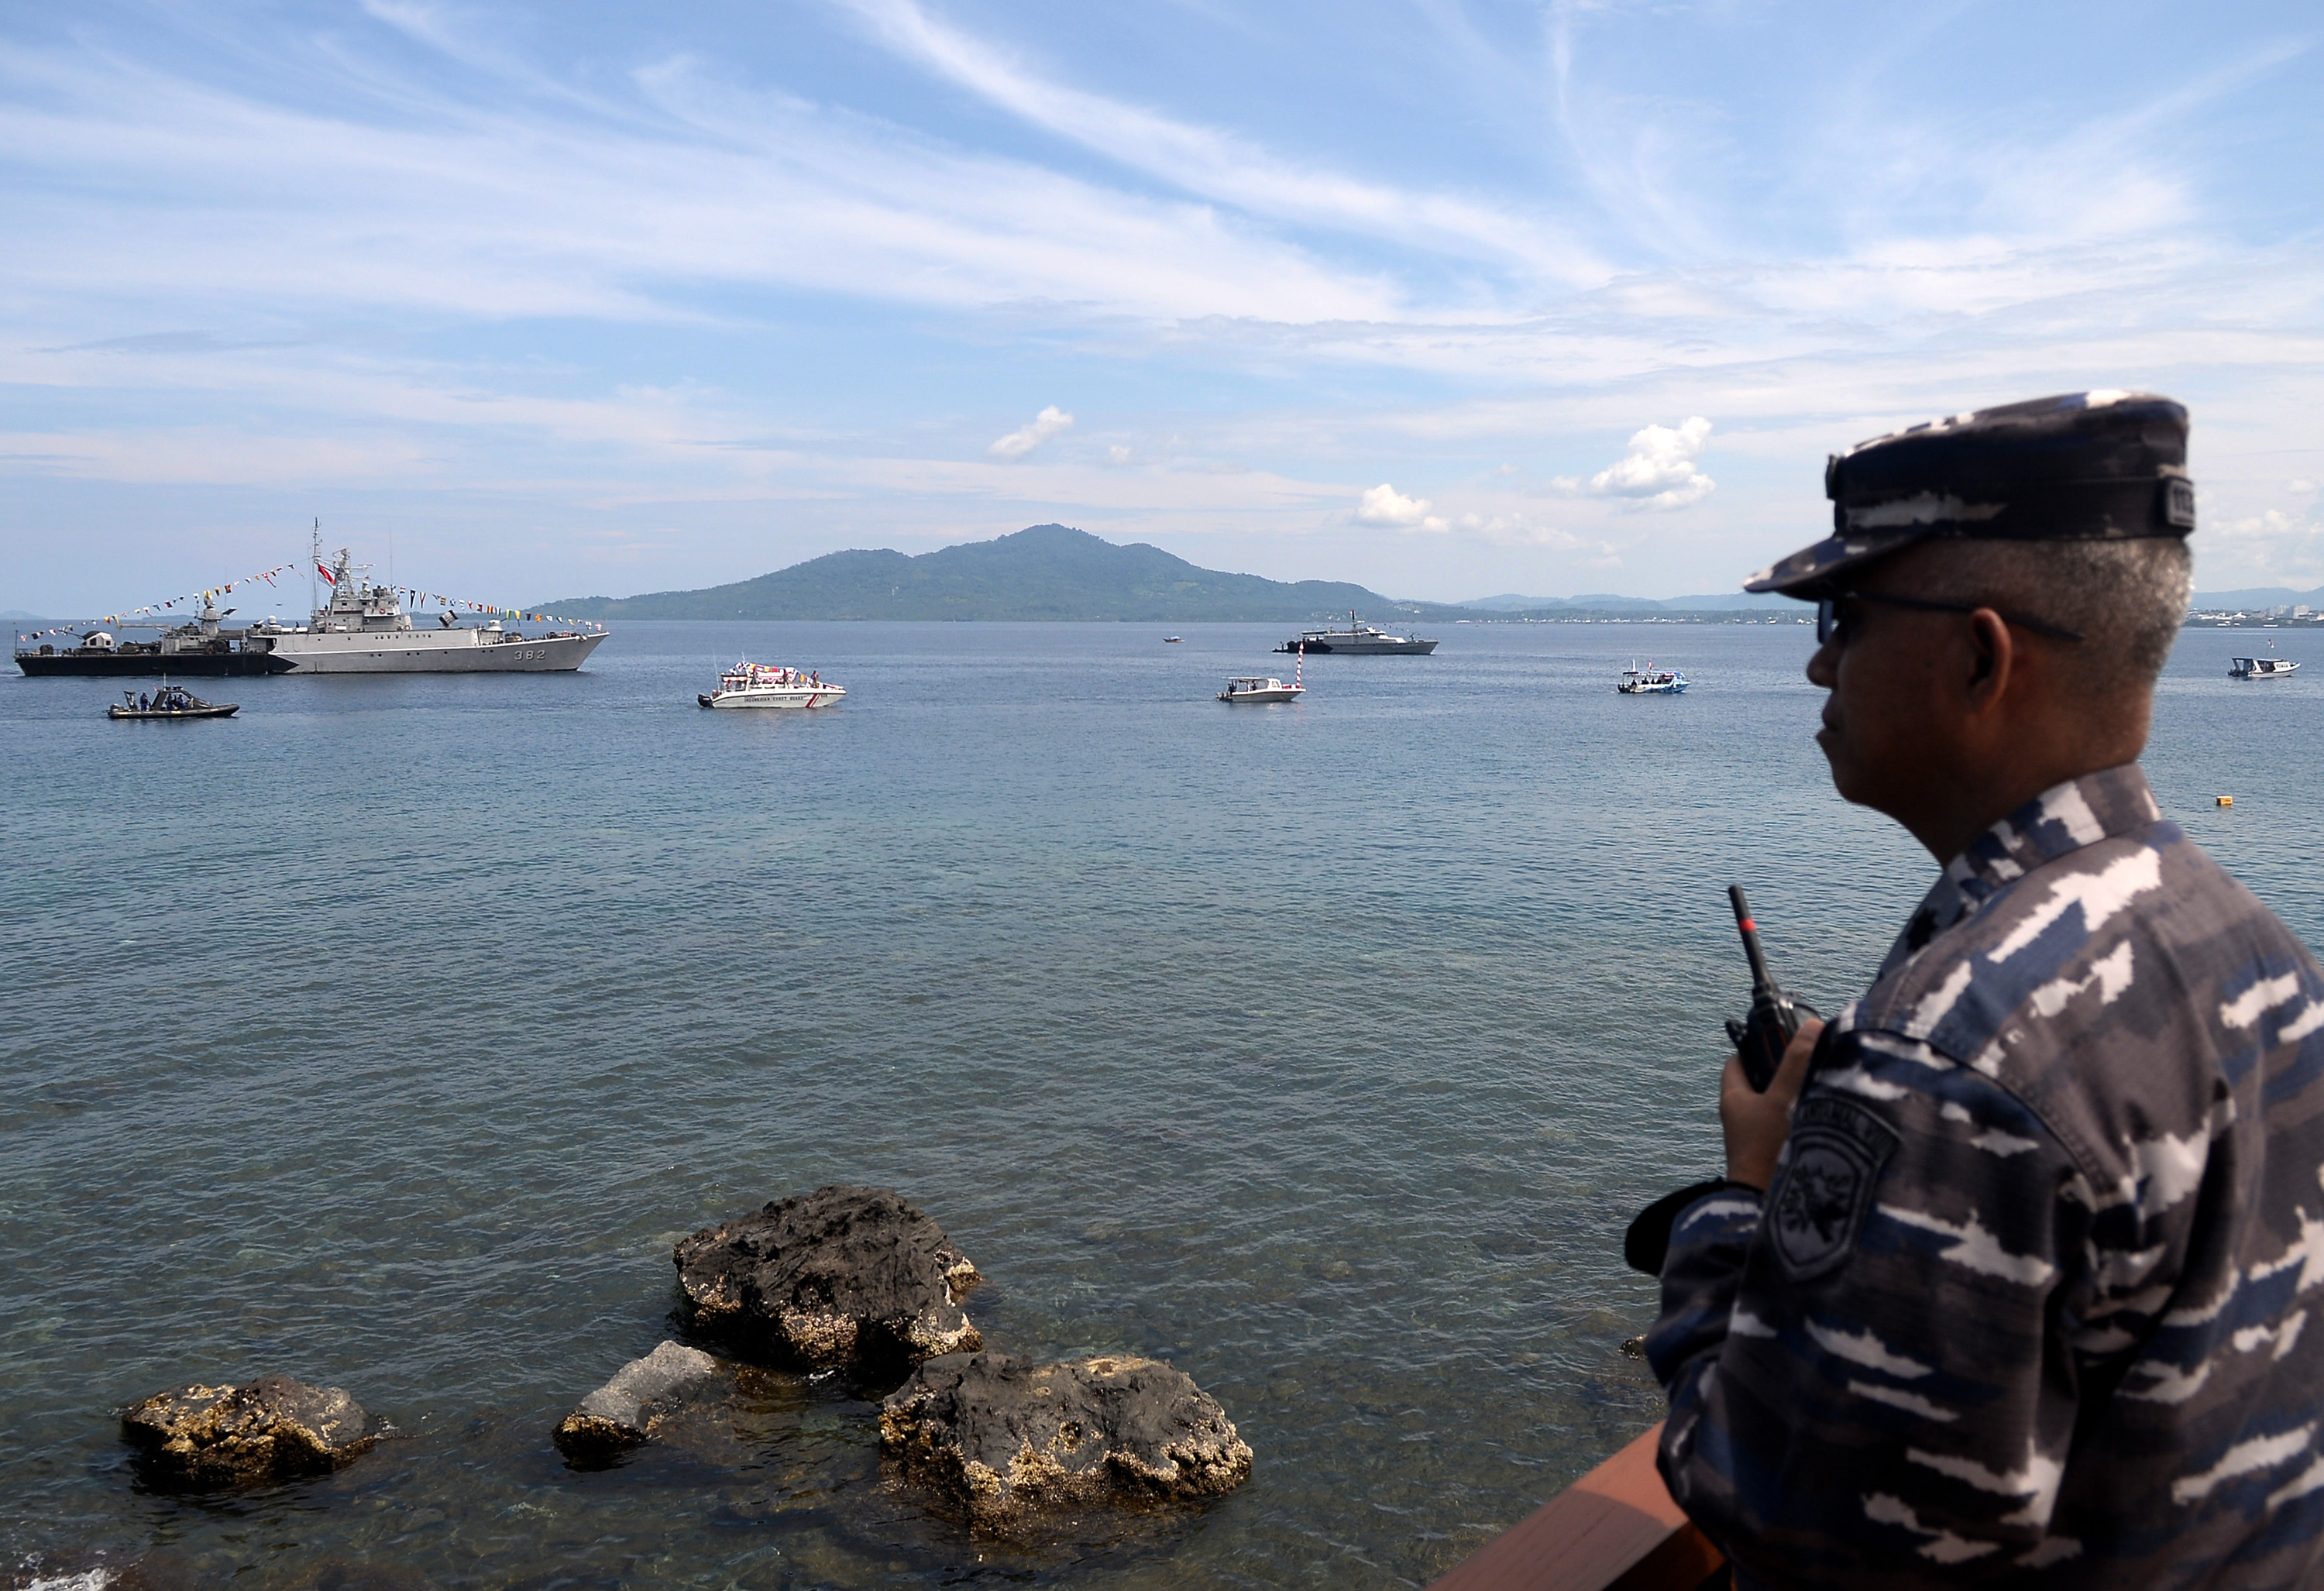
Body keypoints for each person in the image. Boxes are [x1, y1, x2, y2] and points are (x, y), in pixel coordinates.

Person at [1645, 392, 2324, 1586]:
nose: (1817, 658)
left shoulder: (1946, 1055)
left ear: (1979, 655)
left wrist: (1743, 1194)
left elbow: (1792, 1514)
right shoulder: (2255, 945)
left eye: (1845, 615)